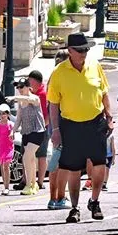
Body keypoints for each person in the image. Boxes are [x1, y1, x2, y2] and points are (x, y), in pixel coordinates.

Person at [47, 33, 113, 224]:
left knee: (100, 164)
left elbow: (104, 93)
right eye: (80, 50)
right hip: (71, 125)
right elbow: (53, 104)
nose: (84, 53)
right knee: (73, 168)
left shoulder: (95, 66)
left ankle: (95, 200)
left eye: (86, 50)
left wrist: (109, 117)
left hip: (95, 122)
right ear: (70, 51)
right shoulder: (59, 72)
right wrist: (56, 130)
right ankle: (75, 208)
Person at [11, 79, 46, 196]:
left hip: (37, 132)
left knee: (26, 157)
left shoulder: (35, 98)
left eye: (21, 87)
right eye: (18, 87)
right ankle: (33, 184)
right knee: (30, 159)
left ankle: (29, 185)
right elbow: (19, 119)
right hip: (26, 133)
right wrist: (12, 131)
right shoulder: (21, 103)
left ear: (27, 87)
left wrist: (14, 98)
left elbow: (30, 100)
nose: (19, 90)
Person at [46, 51, 71, 210]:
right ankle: (59, 197)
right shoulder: (61, 79)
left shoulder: (53, 80)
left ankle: (55, 197)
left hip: (55, 126)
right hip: (63, 125)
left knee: (57, 161)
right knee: (62, 164)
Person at [25, 70, 49, 191]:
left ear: (35, 81)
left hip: (42, 127)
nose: (28, 83)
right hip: (30, 127)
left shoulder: (43, 94)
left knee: (41, 154)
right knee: (28, 154)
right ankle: (28, 180)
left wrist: (43, 127)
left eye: (30, 80)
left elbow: (47, 113)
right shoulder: (29, 93)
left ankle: (40, 181)